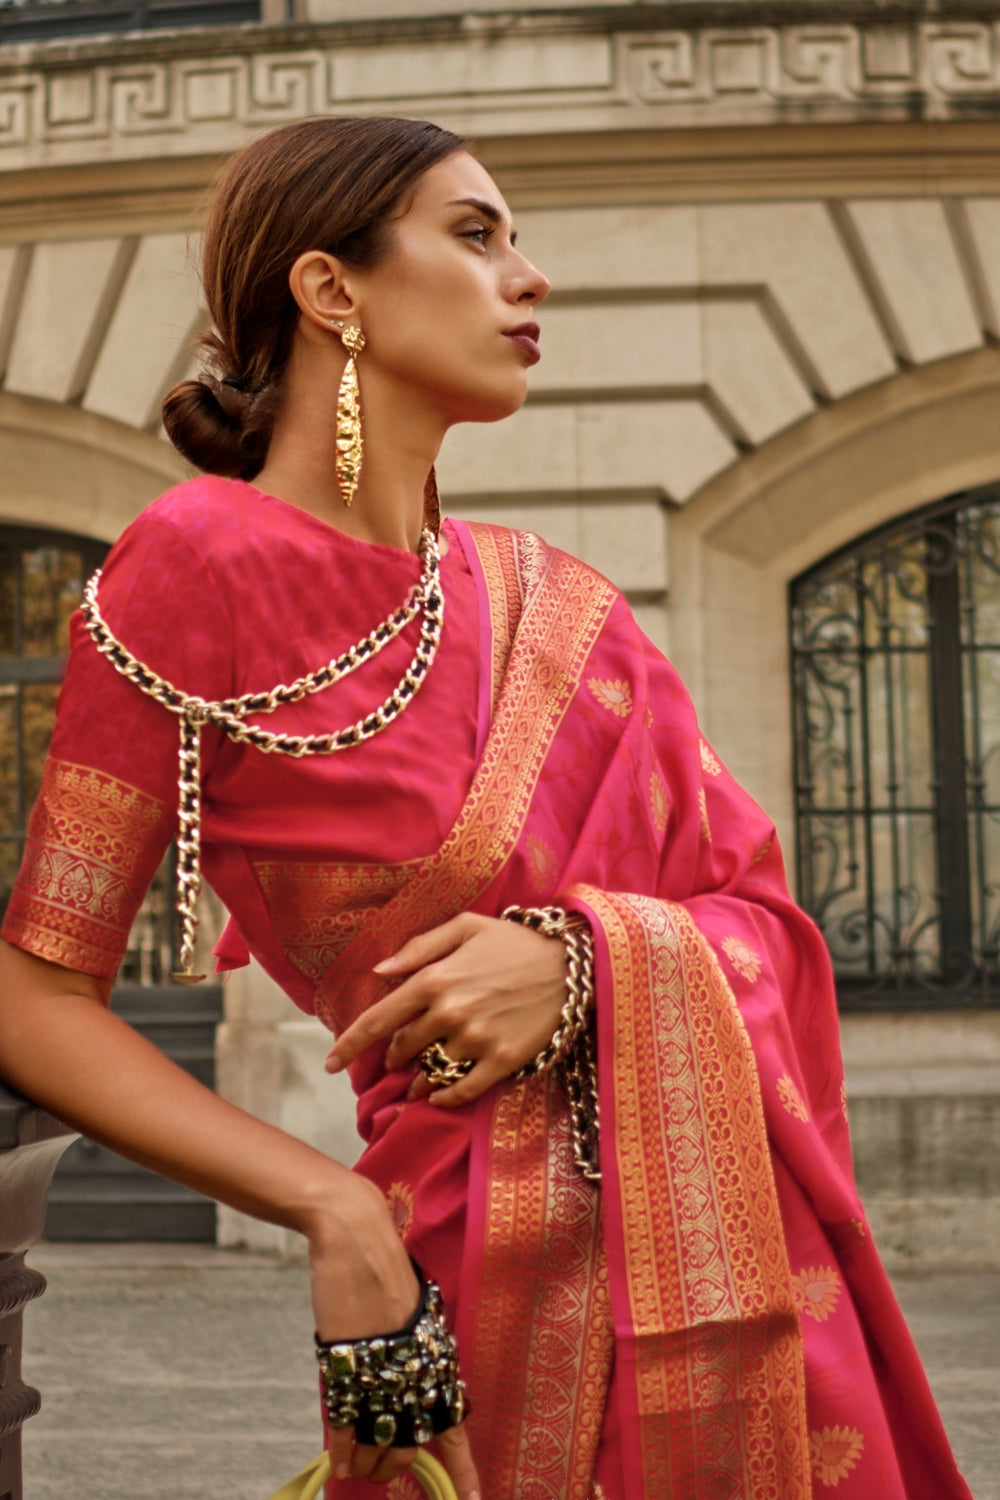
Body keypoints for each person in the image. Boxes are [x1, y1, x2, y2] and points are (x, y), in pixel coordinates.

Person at [0, 115, 973, 1500]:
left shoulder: (567, 610)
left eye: (516, 238)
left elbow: (761, 916)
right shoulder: (194, 564)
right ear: (331, 289)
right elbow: (38, 996)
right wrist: (327, 1206)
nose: (532, 276)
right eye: (474, 234)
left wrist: (578, 961)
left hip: (737, 1286)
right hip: (452, 1264)